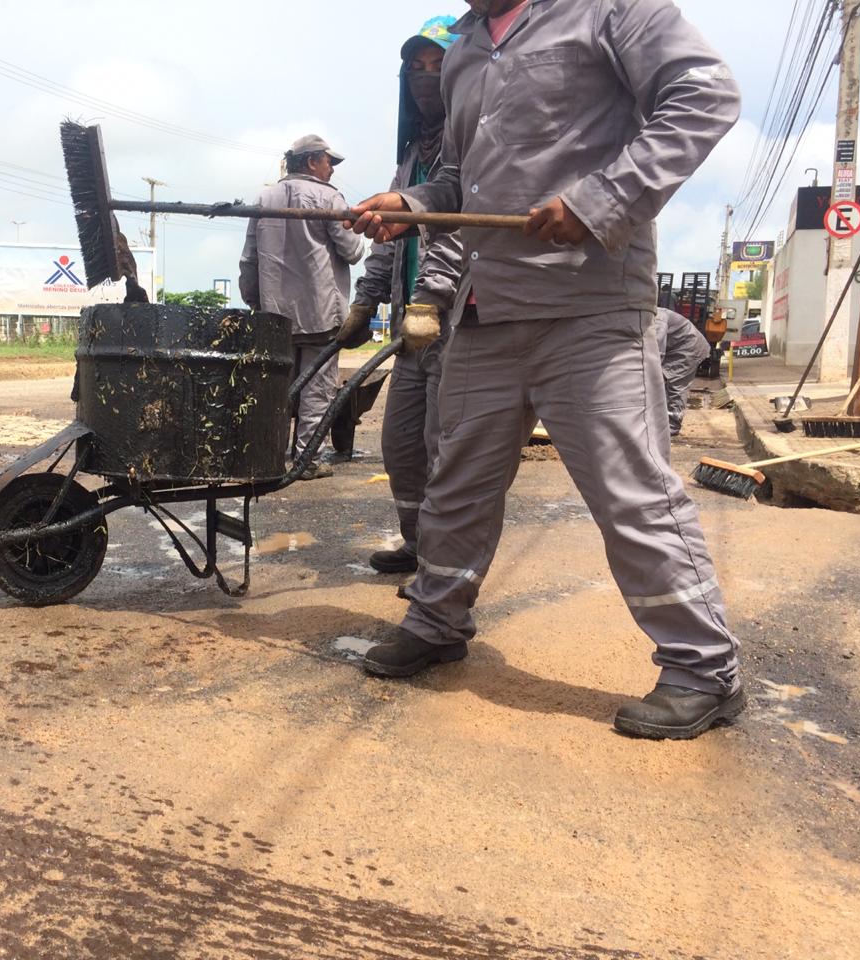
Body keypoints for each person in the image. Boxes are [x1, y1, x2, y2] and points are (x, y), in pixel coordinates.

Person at [345, 0, 744, 740]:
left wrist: (602, 199)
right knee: (455, 487)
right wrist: (412, 203)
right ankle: (437, 621)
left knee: (632, 495)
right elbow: (465, 181)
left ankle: (704, 668)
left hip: (588, 306)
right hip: (486, 306)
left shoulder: (613, 12)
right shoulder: (465, 45)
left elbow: (705, 97)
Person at [339, 16, 464, 573]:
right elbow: (390, 233)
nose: (424, 78)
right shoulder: (414, 153)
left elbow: (461, 228)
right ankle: (416, 544)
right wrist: (366, 301)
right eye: (416, 68)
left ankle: (441, 564)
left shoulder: (473, 148)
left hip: (455, 323)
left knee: (445, 450)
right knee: (401, 445)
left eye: (437, 66)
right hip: (410, 329)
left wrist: (429, 299)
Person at [240, 135, 365, 480]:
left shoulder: (265, 197)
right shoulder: (329, 198)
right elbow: (353, 251)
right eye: (329, 163)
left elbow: (249, 258)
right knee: (317, 390)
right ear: (312, 162)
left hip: (275, 316)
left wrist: (255, 300)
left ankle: (272, 457)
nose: (331, 170)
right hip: (320, 313)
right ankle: (308, 459)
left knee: (279, 388)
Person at [656, 306, 710, 436]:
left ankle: (672, 426)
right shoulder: (648, 316)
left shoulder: (658, 319)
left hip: (689, 347)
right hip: (676, 347)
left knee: (676, 385)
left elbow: (657, 353)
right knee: (662, 384)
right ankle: (660, 421)